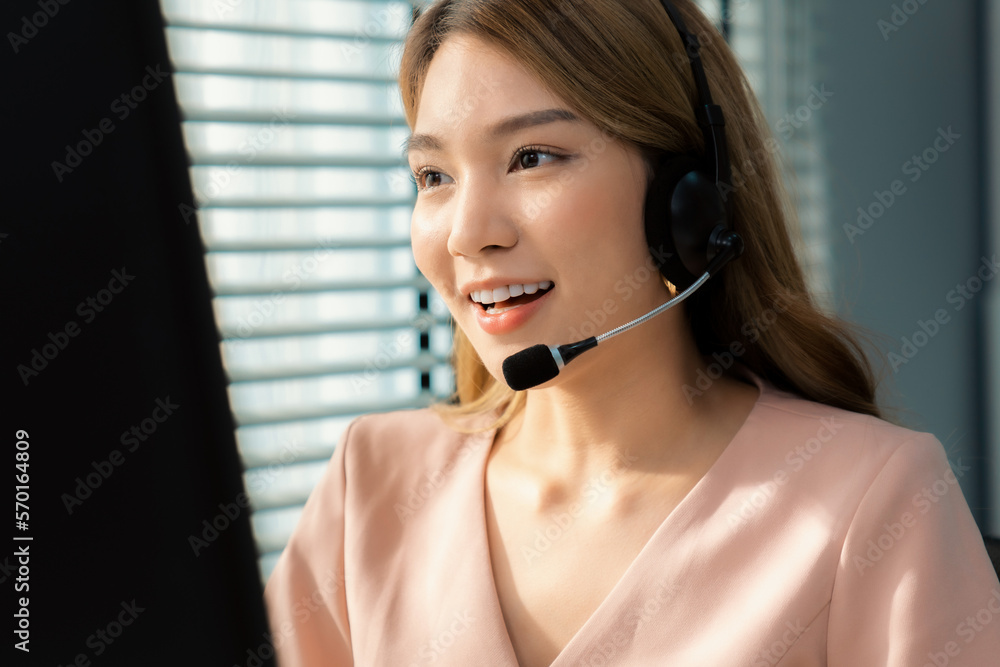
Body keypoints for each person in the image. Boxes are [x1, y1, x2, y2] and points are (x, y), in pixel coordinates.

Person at [263, 1, 1000, 664]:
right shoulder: (373, 483)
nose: (467, 234)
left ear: (686, 204)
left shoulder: (874, 498)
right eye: (433, 176)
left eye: (533, 158)